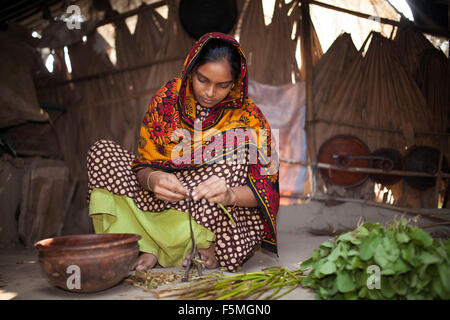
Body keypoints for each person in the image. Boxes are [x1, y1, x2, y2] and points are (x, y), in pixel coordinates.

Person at [87, 32, 279, 272]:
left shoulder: (251, 119)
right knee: (102, 152)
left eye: (223, 85)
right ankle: (147, 244)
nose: (210, 92)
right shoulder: (167, 100)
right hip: (161, 200)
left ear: (236, 83)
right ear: (190, 69)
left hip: (212, 213)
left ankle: (204, 244)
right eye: (202, 79)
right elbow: (144, 164)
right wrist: (153, 179)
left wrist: (229, 195)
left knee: (238, 152)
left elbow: (267, 191)